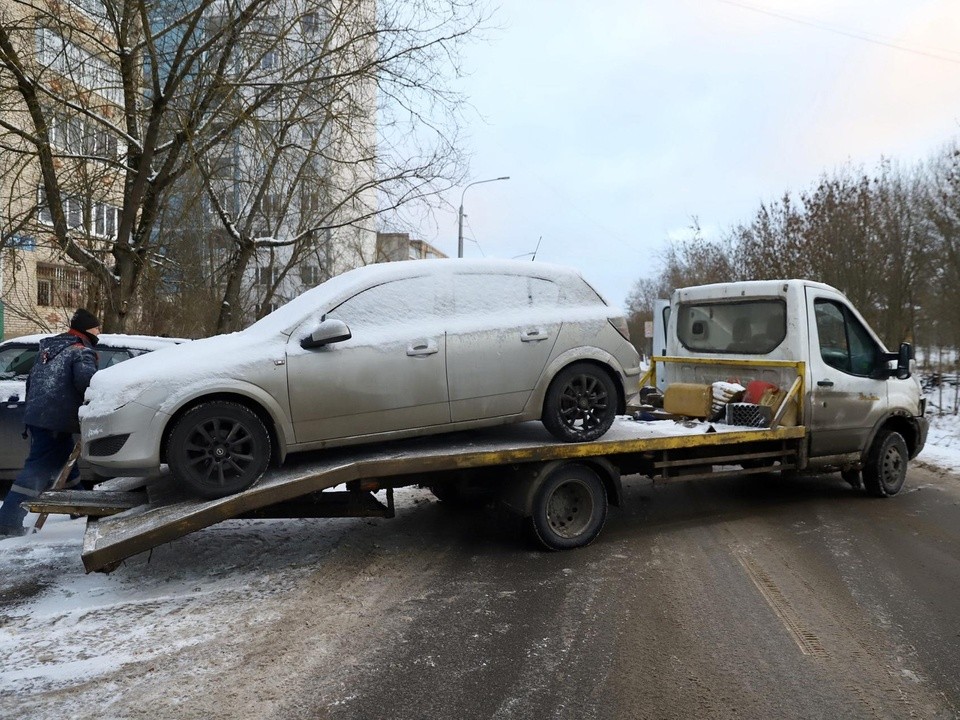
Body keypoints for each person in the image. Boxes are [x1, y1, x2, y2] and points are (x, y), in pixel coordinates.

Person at [0, 308, 101, 537]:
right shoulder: (81, 351)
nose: (99, 332)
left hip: (38, 416)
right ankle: (7, 521)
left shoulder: (49, 348)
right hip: (56, 420)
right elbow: (87, 383)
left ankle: (79, 510)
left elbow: (32, 381)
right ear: (87, 329)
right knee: (37, 470)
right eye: (96, 328)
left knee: (67, 464)